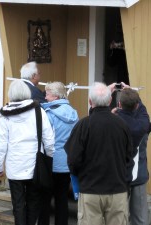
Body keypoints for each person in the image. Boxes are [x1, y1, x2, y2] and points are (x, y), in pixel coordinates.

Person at [64, 82, 133, 225]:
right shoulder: (122, 125)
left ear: (90, 102)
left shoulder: (83, 125)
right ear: (110, 101)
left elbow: (73, 159)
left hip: (90, 190)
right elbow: (129, 157)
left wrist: (80, 177)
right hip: (117, 190)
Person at [0, 80, 55, 225]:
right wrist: (50, 158)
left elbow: (1, 144)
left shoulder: (6, 115)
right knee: (34, 202)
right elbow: (49, 139)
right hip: (35, 165)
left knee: (18, 204)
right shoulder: (38, 111)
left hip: (14, 166)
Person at [39, 82, 78, 225]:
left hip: (51, 162)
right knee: (62, 199)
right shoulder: (74, 113)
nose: (45, 97)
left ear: (55, 96)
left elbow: (45, 139)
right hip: (66, 163)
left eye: (47, 94)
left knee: (45, 199)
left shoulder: (48, 114)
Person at [112, 84, 150, 225]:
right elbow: (143, 112)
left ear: (119, 104)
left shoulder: (113, 121)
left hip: (118, 176)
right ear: (136, 106)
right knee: (140, 219)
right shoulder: (143, 124)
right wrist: (134, 94)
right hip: (138, 175)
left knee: (117, 218)